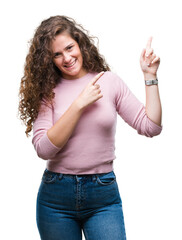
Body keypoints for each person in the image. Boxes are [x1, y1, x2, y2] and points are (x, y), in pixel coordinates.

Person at [18, 15, 162, 240]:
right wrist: (78, 105)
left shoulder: (109, 82)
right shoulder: (48, 91)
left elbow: (151, 126)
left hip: (102, 194)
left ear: (80, 43)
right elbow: (44, 149)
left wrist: (150, 77)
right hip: (56, 198)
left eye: (69, 47)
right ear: (49, 59)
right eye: (57, 54)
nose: (67, 58)